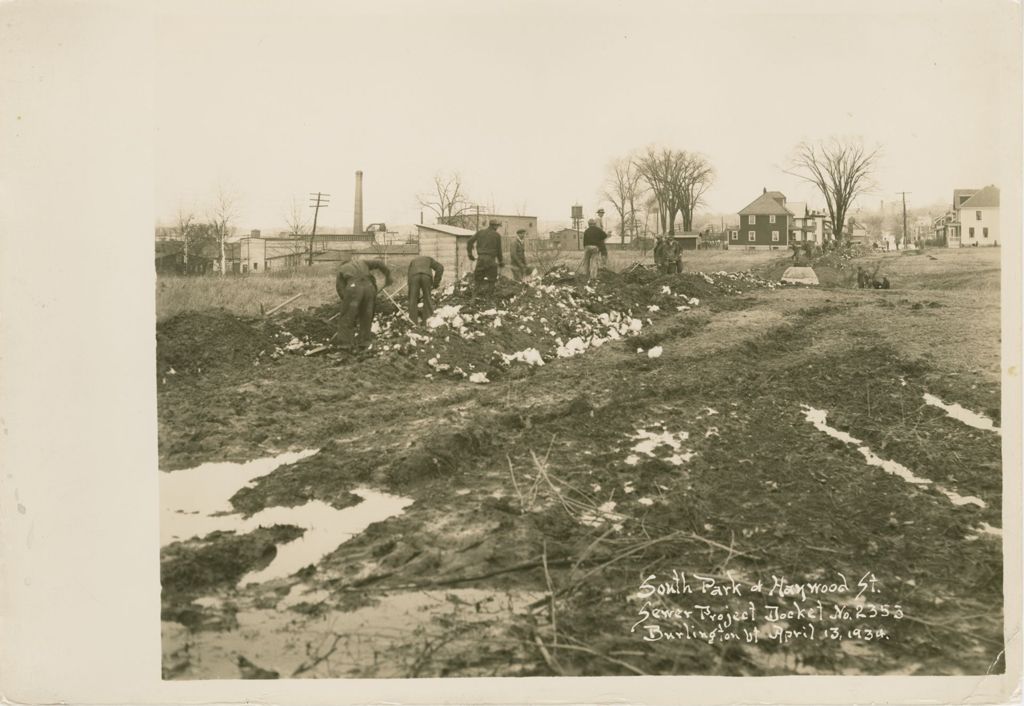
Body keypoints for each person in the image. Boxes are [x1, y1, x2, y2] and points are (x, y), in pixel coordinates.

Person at [334, 254, 392, 352]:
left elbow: (340, 290)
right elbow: (379, 263)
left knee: (346, 317)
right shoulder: (363, 262)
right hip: (370, 288)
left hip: (354, 288)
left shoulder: (341, 269)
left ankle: (345, 345)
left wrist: (350, 307)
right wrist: (388, 276)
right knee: (366, 316)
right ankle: (364, 343)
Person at [467, 218, 504, 296]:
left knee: (477, 280)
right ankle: (489, 300)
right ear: (494, 226)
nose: (497, 228)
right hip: (491, 260)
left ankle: (473, 299)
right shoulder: (497, 235)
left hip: (480, 259)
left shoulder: (480, 232)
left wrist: (470, 254)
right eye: (497, 226)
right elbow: (499, 250)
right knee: (492, 280)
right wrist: (501, 261)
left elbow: (469, 241)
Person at [406, 255, 444, 325]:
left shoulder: (413, 261)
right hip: (426, 276)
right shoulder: (429, 259)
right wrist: (436, 283)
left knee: (413, 300)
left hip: (414, 276)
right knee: (427, 298)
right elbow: (440, 267)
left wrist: (411, 295)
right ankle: (427, 321)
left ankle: (412, 323)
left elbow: (409, 277)